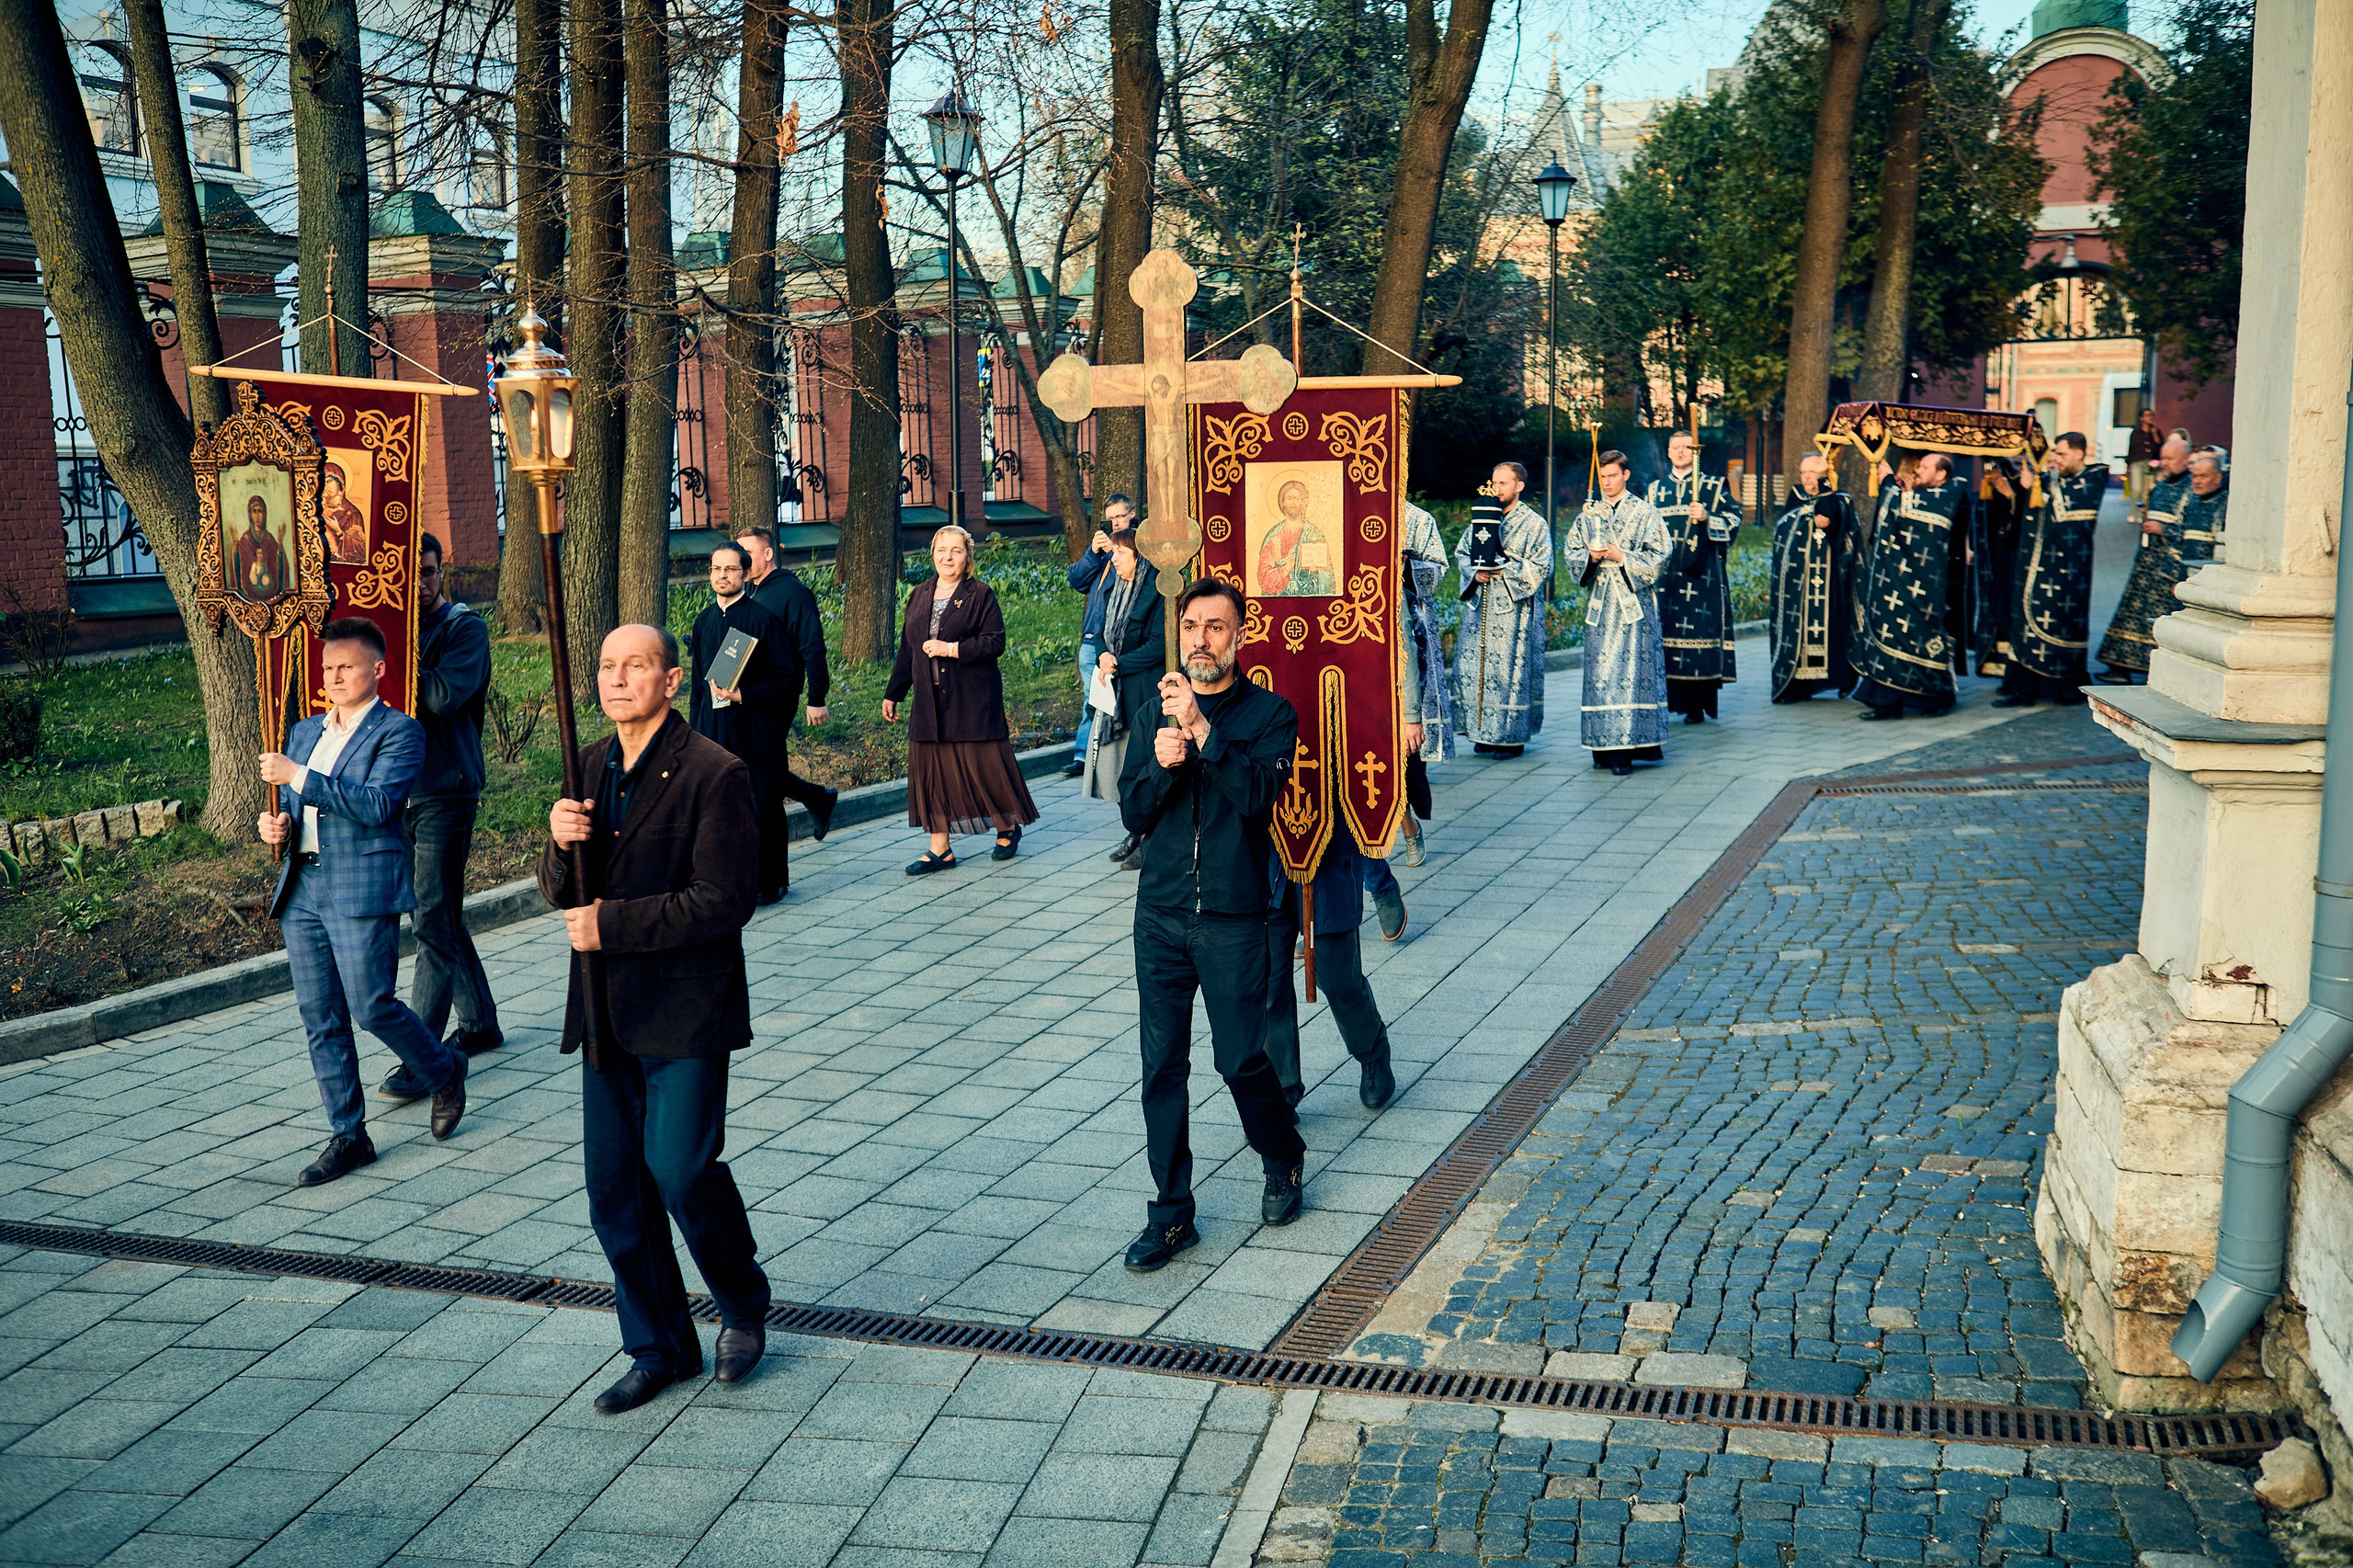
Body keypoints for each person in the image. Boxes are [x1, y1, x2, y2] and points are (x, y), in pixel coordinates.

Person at [541, 624, 771, 1414]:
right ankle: (659, 1346)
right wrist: (555, 842)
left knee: (678, 1171)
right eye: (606, 667)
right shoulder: (589, 764)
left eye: (635, 666)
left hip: (685, 1008)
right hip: (607, 1013)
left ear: (672, 680)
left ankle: (741, 1304)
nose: (617, 679)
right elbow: (561, 890)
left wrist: (615, 924)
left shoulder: (715, 772)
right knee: (615, 1192)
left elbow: (724, 900)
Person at [1119, 578, 1310, 1272]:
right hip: (1161, 916)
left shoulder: (1269, 715)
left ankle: (1283, 1155)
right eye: (1192, 626)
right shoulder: (1152, 715)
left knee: (1239, 1060)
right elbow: (1132, 812)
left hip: (1234, 918)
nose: (1201, 639)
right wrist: (1164, 767)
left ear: (1240, 636)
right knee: (1161, 1067)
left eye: (1216, 628)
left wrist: (1203, 733)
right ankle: (1172, 1215)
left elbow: (1258, 796)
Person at [257, 617, 468, 1187]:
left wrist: (298, 776)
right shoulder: (304, 731)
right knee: (319, 1016)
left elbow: (376, 805)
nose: (333, 676)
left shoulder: (400, 732)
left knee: (371, 1005)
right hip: (303, 887)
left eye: (345, 667)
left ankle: (444, 1068)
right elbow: (294, 806)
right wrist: (275, 826)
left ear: (377, 670)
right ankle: (349, 1135)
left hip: (360, 886)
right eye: (327, 667)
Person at [377, 536, 500, 1108]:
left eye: (427, 574)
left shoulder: (463, 629)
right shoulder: (392, 632)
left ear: (440, 572)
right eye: (408, 577)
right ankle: (477, 1024)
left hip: (447, 791)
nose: (419, 585)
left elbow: (445, 695)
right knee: (437, 910)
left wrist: (395, 663)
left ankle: (421, 1056)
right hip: (401, 793)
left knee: (431, 918)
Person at [885, 525, 1039, 873]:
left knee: (983, 767)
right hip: (929, 703)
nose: (948, 557)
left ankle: (1006, 826)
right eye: (942, 550)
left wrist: (951, 649)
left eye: (956, 550)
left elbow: (994, 642)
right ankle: (940, 849)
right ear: (933, 554)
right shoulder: (920, 595)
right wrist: (894, 694)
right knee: (933, 773)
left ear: (967, 556)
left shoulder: (979, 594)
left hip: (972, 700)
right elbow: (908, 651)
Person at [686, 543, 794, 903]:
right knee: (720, 808)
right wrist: (693, 733)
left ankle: (771, 880)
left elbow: (786, 678)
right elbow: (699, 685)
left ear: (746, 574)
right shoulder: (702, 621)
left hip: (755, 729)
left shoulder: (762, 619)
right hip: (713, 730)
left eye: (730, 569)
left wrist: (744, 696)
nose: (722, 576)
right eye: (716, 569)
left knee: (762, 801)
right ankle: (729, 882)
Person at [1266, 834, 1399, 1114]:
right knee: (1268, 982)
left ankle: (1372, 1050)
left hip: (1327, 849)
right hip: (1266, 850)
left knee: (1338, 976)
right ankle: (1279, 1088)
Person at [1563, 450, 1669, 774]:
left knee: (1632, 674)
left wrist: (1621, 556)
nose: (1606, 483)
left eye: (1612, 476)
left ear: (1625, 475)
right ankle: (1601, 747)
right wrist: (1591, 559)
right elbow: (1572, 552)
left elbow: (1661, 555)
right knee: (1600, 675)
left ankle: (1628, 749)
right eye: (1602, 477)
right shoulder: (1588, 514)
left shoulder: (1645, 512)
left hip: (1634, 608)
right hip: (1600, 605)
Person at [734, 527, 839, 845]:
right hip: (751, 695)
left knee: (765, 768)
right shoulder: (752, 591)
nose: (742, 562)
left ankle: (815, 801)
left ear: (768, 554)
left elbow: (813, 646)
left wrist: (817, 697)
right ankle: (818, 798)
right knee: (762, 765)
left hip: (779, 695)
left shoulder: (792, 593)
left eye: (748, 554)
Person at [1852, 452, 1969, 721]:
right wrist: (1895, 486)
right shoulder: (1917, 494)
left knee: (1921, 639)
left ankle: (1935, 698)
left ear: (1941, 474)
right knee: (1889, 632)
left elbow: (1911, 512)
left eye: (1925, 467)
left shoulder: (1949, 493)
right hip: (1896, 581)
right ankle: (1886, 702)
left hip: (1927, 587)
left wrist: (1889, 485)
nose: (1917, 471)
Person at [1996, 432, 2105, 708]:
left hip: (2068, 569)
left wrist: (2040, 489)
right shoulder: (2052, 479)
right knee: (2024, 623)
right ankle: (2022, 688)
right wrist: (2015, 486)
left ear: (2080, 454)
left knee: (2060, 622)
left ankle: (2062, 687)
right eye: (2054, 454)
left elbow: (2071, 515)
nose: (2055, 459)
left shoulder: (2094, 478)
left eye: (2062, 454)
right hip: (2032, 566)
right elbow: (2030, 501)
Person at [1451, 461, 1552, 756]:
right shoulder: (1482, 517)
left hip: (1513, 613)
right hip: (1480, 608)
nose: (1496, 489)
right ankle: (1483, 732)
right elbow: (1462, 553)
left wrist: (1504, 570)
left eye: (1503, 484)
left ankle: (1511, 737)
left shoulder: (1535, 524)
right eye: (1494, 483)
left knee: (1508, 674)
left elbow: (1542, 566)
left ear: (1518, 486)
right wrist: (1474, 572)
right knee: (1474, 669)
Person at [1082, 526, 1165, 869]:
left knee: (1145, 765)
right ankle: (1133, 829)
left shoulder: (1155, 591)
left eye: (1120, 553)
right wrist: (1103, 655)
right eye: (1113, 553)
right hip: (1115, 693)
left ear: (1139, 557)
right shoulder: (1115, 586)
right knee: (1119, 767)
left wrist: (1119, 663)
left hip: (1143, 689)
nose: (1113, 559)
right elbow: (1100, 631)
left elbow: (1159, 645)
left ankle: (1149, 839)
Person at [1647, 430, 1744, 723]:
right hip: (1666, 580)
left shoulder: (1713, 487)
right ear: (1668, 452)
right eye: (1674, 447)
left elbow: (1734, 521)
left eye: (1685, 447)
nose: (1679, 452)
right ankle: (1666, 700)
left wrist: (1707, 517)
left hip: (1702, 580)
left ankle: (1696, 705)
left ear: (1695, 452)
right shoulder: (1654, 490)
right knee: (1665, 638)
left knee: (1697, 636)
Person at [2097, 437, 2195, 681]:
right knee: (2131, 614)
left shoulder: (2192, 489)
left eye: (2170, 459)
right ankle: (2119, 665)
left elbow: (2195, 528)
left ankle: (2158, 669)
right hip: (2147, 562)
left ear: (2186, 460)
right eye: (2163, 458)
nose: (2164, 463)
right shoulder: (2161, 485)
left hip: (2171, 566)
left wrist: (2166, 530)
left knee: (2162, 619)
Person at [1768, 453, 1861, 703]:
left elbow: (1846, 533)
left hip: (1829, 580)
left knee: (1833, 629)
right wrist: (1809, 518)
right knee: (1797, 633)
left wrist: (1828, 516)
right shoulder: (1796, 497)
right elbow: (1784, 529)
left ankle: (1843, 679)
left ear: (1824, 475)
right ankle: (1798, 687)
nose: (1806, 477)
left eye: (1812, 473)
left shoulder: (1840, 499)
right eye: (1803, 473)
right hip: (1798, 582)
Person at [1065, 494, 1139, 778]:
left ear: (1132, 514)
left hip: (1116, 639)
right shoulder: (1103, 553)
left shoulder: (1134, 547)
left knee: (1114, 697)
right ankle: (1084, 755)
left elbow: (1132, 577)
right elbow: (1077, 580)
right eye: (1110, 518)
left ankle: (1105, 755)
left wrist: (1112, 552)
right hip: (1091, 639)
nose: (1115, 522)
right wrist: (1093, 554)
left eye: (1120, 516)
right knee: (1092, 697)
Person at [1397, 501, 1451, 868]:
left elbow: (1438, 570)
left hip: (1411, 627)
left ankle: (1409, 826)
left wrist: (1405, 561)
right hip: (1359, 632)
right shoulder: (1353, 506)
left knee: (1407, 754)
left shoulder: (1418, 519)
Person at [1971, 457, 2029, 678]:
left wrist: (2010, 496)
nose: (1994, 476)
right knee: (1993, 601)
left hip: (2012, 556)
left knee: (2008, 602)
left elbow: (2023, 517)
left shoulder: (2020, 486)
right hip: (1993, 555)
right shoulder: (1986, 488)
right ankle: (1992, 658)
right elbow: (1980, 518)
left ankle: (2010, 659)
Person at [1255, 480, 1338, 597]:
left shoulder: (1314, 533)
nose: (1293, 503)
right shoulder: (1273, 536)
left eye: (1297, 499)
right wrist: (1285, 570)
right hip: (1279, 600)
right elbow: (1263, 577)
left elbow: (1328, 577)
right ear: (1282, 502)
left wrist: (1316, 572)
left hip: (1309, 599)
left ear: (1303, 503)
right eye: (1289, 498)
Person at [234, 495, 287, 599]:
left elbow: (277, 569)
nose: (258, 516)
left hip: (269, 594)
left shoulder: (270, 540)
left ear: (265, 514)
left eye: (260, 511)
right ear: (250, 515)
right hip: (248, 596)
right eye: (254, 511)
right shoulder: (245, 540)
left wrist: (280, 544)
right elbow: (241, 570)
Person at [322, 463, 369, 564]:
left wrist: (338, 530)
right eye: (322, 482)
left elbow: (360, 551)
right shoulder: (317, 509)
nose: (325, 486)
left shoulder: (352, 514)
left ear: (340, 482)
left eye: (329, 481)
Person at [2126, 408, 2164, 518]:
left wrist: (2155, 434)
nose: (2150, 418)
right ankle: (2134, 513)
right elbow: (2131, 449)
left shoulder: (2156, 431)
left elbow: (2160, 447)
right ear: (2141, 418)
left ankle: (2144, 514)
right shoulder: (2136, 432)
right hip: (2137, 462)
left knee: (2146, 490)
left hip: (2151, 463)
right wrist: (2128, 466)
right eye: (2147, 415)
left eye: (2151, 415)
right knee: (2136, 488)